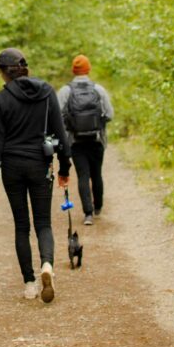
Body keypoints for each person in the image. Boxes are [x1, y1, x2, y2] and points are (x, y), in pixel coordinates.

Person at [0, 47, 70, 303]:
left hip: (12, 166)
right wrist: (65, 168)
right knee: (43, 222)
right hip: (40, 163)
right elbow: (60, 133)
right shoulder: (47, 93)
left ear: (4, 73)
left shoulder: (1, 100)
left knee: (22, 225)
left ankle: (30, 283)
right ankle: (47, 265)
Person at [56, 54, 114, 226]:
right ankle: (98, 208)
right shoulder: (99, 90)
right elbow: (110, 114)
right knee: (97, 173)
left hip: (76, 141)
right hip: (97, 140)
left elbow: (57, 116)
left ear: (73, 70)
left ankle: (87, 213)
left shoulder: (65, 91)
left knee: (83, 175)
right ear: (88, 69)